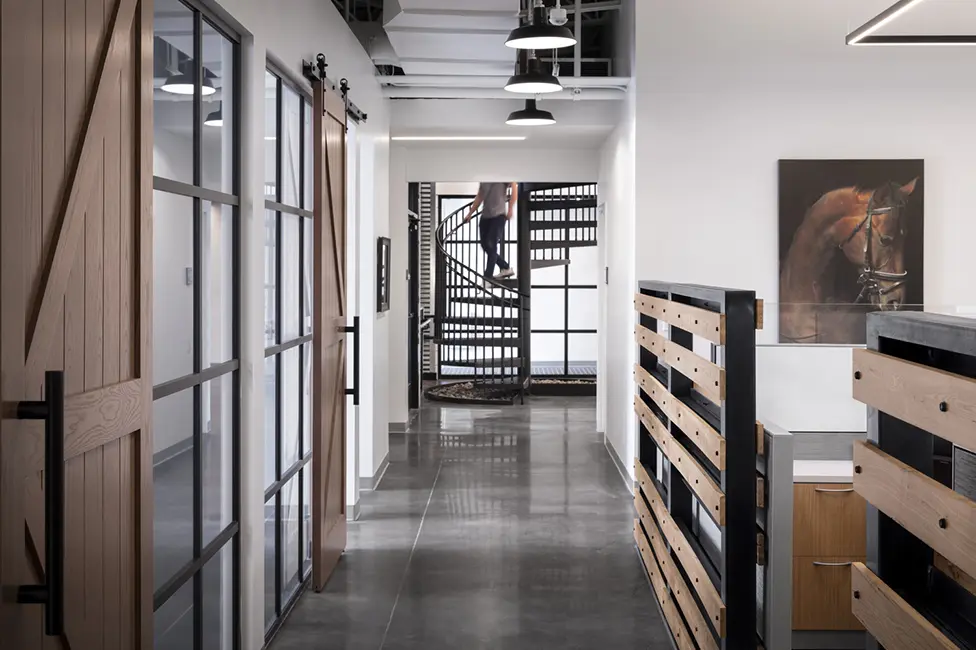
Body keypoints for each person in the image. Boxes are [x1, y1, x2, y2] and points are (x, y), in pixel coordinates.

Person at [464, 182, 518, 280]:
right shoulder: (484, 180)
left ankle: (487, 277)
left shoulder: (501, 176)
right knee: (485, 245)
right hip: (485, 216)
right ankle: (505, 267)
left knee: (491, 245)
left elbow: (514, 185)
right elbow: (480, 196)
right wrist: (470, 213)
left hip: (498, 216)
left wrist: (510, 208)